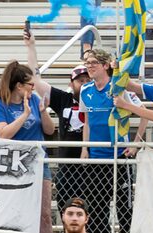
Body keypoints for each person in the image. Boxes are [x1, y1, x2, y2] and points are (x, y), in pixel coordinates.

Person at [79, 48, 146, 233]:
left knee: (125, 210)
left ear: (105, 65)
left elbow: (144, 114)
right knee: (96, 210)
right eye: (87, 63)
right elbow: (87, 123)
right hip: (96, 158)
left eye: (93, 63)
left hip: (119, 157)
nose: (89, 66)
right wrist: (85, 149)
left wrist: (135, 144)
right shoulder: (85, 90)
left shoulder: (118, 88)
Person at [25, 31, 91, 208]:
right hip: (67, 167)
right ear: (71, 84)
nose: (84, 83)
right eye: (80, 80)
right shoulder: (64, 99)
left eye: (87, 80)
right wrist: (31, 47)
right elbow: (36, 80)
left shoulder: (99, 99)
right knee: (66, 210)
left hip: (92, 167)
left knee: (93, 215)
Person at [0, 60, 55, 233]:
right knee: (11, 213)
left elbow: (49, 130)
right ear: (19, 86)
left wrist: (42, 112)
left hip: (37, 162)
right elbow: (3, 133)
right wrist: (25, 115)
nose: (33, 88)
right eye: (30, 84)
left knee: (45, 213)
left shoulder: (34, 99)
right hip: (10, 164)